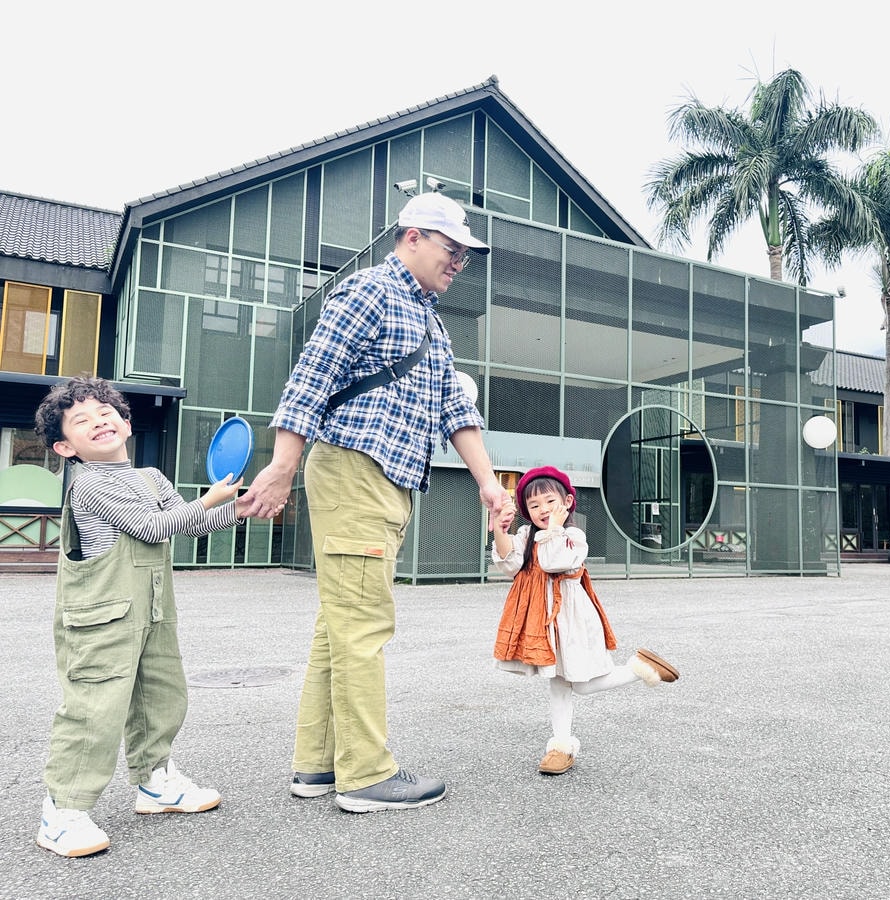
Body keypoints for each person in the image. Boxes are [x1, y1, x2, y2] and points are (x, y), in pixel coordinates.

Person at [241, 191, 508, 813]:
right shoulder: (369, 292)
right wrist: (281, 469)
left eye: (466, 255)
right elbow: (310, 381)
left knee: (338, 628)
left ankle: (317, 767)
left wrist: (490, 484)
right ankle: (365, 775)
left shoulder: (429, 319)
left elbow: (456, 409)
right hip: (355, 471)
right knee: (363, 624)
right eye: (452, 249)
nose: (459, 263)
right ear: (412, 236)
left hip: (385, 481)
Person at [32, 376, 250, 858]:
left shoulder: (152, 478)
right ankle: (62, 810)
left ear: (126, 423)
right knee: (93, 710)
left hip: (152, 610)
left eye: (106, 413)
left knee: (161, 695)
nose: (99, 422)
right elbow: (152, 527)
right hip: (100, 618)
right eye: (81, 420)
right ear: (66, 447)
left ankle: (156, 783)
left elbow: (189, 522)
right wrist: (212, 499)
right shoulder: (88, 484)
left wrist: (240, 508)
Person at [491, 465, 680, 775]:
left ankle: (639, 668)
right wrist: (500, 528)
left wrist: (553, 528)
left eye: (549, 502)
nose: (542, 510)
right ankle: (561, 745)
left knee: (581, 685)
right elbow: (509, 565)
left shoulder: (573, 536)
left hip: (572, 620)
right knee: (558, 682)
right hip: (543, 621)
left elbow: (553, 563)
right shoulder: (526, 535)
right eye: (534, 505)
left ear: (567, 502)